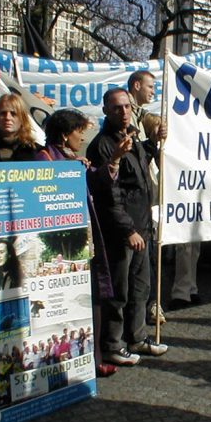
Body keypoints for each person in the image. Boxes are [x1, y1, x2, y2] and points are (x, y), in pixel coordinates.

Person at [87, 87, 168, 366]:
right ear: (106, 112)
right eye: (116, 108)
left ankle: (136, 337)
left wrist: (156, 142)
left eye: (126, 107)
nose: (123, 113)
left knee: (140, 288)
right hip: (122, 233)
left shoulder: (132, 138)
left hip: (142, 227)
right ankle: (111, 344)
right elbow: (109, 195)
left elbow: (144, 166)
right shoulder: (102, 145)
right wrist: (127, 230)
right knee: (118, 292)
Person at [35, 108, 118, 378]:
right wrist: (67, 171)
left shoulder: (75, 159)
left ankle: (91, 362)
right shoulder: (45, 158)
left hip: (86, 243)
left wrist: (114, 159)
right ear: (63, 134)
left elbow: (98, 179)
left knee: (91, 301)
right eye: (78, 132)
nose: (82, 138)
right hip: (62, 246)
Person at [128, 72, 167, 325]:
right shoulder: (128, 117)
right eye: (150, 87)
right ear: (137, 85)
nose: (153, 92)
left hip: (145, 198)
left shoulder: (141, 115)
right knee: (141, 261)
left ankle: (149, 305)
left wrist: (157, 126)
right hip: (134, 203)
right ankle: (144, 309)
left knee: (148, 258)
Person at [0, 93, 38, 162]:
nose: (7, 118)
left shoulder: (35, 151)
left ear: (23, 118)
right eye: (3, 113)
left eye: (13, 114)